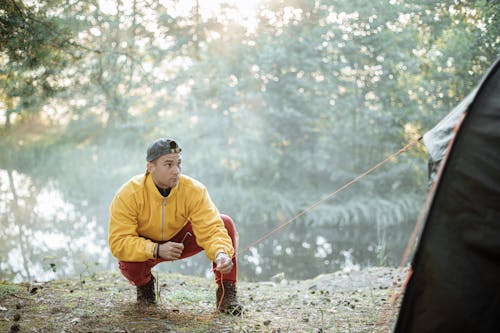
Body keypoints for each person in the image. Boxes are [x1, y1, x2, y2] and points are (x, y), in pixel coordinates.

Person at [108, 138, 243, 315]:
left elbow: (211, 228)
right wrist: (156, 249)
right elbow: (119, 242)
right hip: (147, 246)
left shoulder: (193, 189)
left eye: (178, 164)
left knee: (224, 222)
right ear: (150, 167)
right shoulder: (129, 193)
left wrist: (221, 254)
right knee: (129, 263)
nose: (176, 171)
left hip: (180, 241)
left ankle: (227, 294)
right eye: (168, 164)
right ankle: (145, 286)